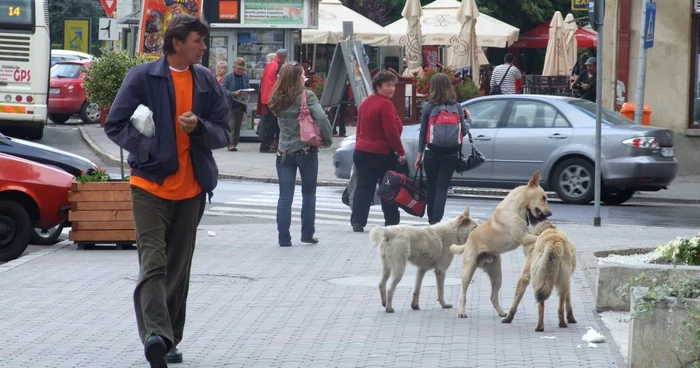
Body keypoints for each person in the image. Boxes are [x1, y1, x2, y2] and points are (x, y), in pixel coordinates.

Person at [104, 15, 230, 368]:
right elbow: (114, 124)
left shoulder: (204, 79)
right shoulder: (144, 77)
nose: (204, 48)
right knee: (153, 262)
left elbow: (224, 131)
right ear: (177, 43)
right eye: (198, 41)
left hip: (192, 188)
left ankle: (169, 339)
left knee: (178, 267)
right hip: (149, 185)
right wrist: (147, 152)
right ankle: (156, 336)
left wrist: (199, 128)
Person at [268, 62, 333, 247]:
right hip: (306, 151)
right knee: (309, 193)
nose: (305, 77)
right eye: (303, 74)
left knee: (285, 196)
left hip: (283, 152)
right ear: (296, 77)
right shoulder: (307, 94)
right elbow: (321, 117)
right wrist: (327, 139)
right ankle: (307, 233)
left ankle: (283, 238)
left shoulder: (277, 96)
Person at [350, 70, 406, 233]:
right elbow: (391, 131)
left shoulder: (366, 103)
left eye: (393, 85)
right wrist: (400, 151)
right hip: (381, 153)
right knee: (388, 187)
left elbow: (360, 128)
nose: (392, 88)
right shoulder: (385, 104)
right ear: (378, 87)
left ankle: (357, 221)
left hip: (361, 151)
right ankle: (392, 221)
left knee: (364, 187)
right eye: (388, 85)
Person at [415, 73, 470, 224]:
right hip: (451, 154)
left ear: (433, 87)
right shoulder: (457, 106)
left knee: (432, 186)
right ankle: (436, 220)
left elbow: (423, 132)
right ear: (449, 87)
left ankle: (431, 218)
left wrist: (419, 155)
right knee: (442, 187)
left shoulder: (428, 107)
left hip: (432, 152)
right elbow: (464, 131)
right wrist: (469, 119)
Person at [258, 49, 288, 153]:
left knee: (270, 122)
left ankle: (267, 145)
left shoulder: (270, 65)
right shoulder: (278, 66)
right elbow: (278, 83)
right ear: (283, 57)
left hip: (266, 97)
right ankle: (266, 146)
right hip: (273, 97)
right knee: (273, 123)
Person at [221, 57, 250, 151]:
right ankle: (230, 144)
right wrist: (233, 93)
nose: (241, 71)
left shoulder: (245, 76)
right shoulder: (228, 76)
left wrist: (248, 91)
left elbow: (247, 86)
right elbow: (222, 89)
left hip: (241, 104)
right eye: (239, 69)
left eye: (242, 69)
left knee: (238, 126)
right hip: (231, 104)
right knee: (231, 126)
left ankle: (235, 143)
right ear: (234, 67)